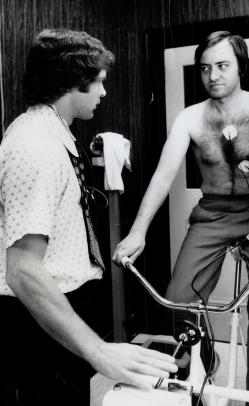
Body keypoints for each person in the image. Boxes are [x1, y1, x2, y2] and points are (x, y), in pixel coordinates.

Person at [113, 31, 249, 405]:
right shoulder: (191, 117)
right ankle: (205, 362)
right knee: (177, 299)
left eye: (222, 66)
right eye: (205, 68)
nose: (213, 75)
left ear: (240, 68)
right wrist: (138, 232)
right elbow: (163, 176)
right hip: (214, 214)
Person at [0, 29, 177, 406]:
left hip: (66, 301)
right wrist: (98, 350)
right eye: (97, 82)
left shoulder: (55, 132)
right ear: (71, 82)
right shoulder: (35, 146)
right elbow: (22, 269)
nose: (104, 93)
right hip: (37, 313)